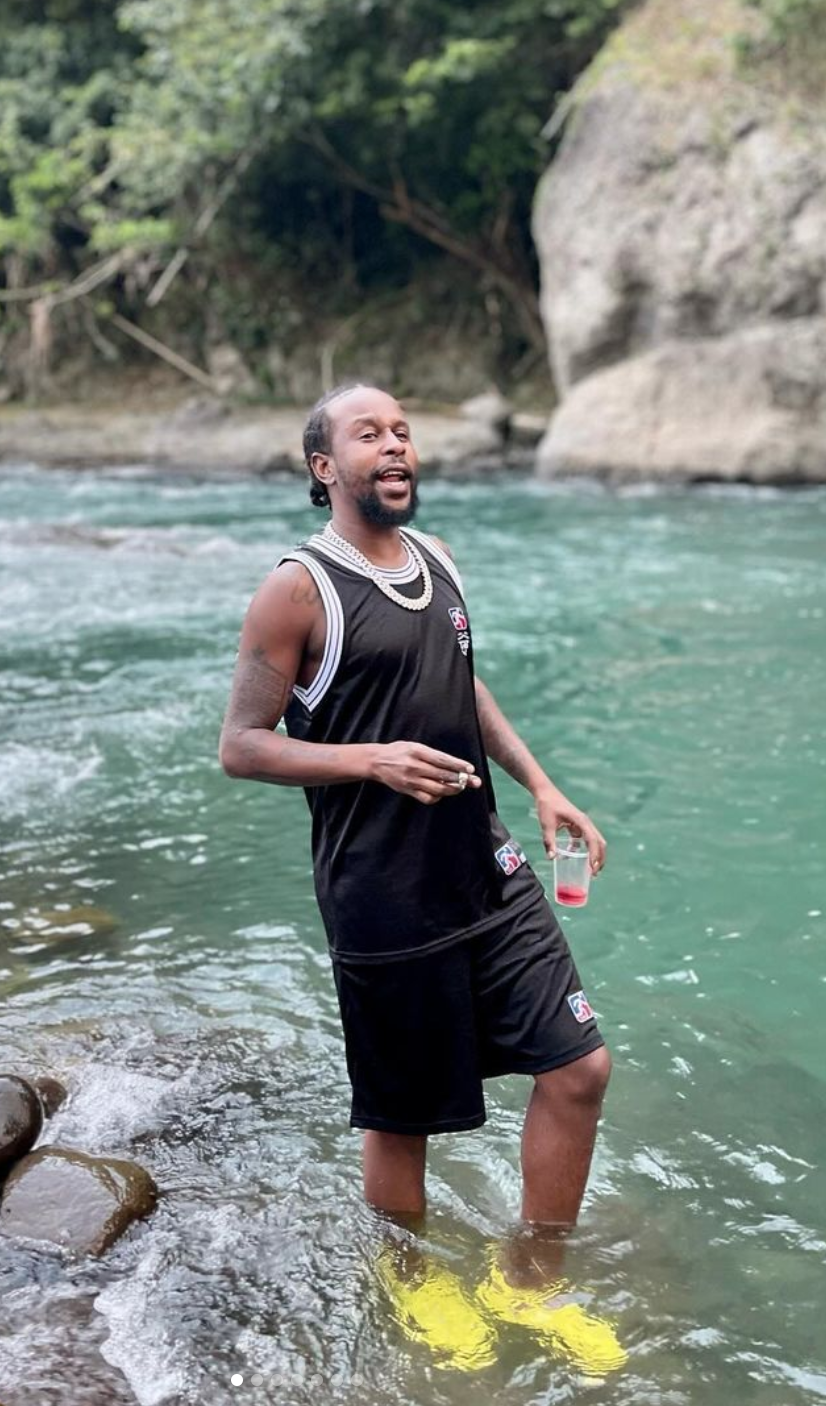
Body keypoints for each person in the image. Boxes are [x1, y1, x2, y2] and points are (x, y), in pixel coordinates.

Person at [218, 384, 626, 1375]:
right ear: (325, 467)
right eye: (370, 434)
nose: (394, 444)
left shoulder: (438, 558)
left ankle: (528, 1281)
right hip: (379, 891)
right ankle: (408, 1275)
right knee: (401, 1118)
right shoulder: (297, 589)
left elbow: (459, 675)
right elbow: (239, 745)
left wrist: (539, 781)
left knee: (578, 1068)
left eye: (402, 431)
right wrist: (371, 759)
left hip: (482, 865)